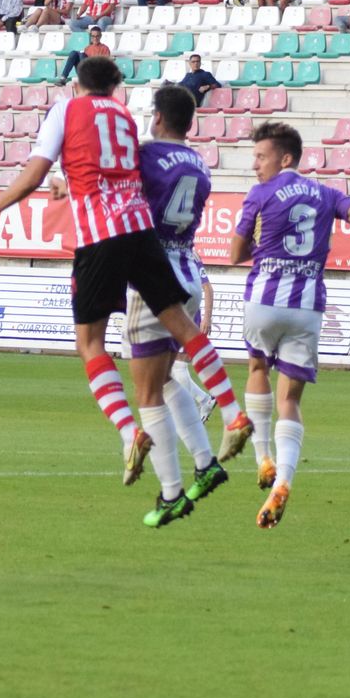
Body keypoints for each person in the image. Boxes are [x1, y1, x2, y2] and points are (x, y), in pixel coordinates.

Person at [0, 57, 253, 489]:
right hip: (144, 232)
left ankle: (129, 432)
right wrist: (69, 183)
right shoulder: (124, 116)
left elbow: (35, 172)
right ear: (115, 87)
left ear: (78, 83)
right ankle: (233, 412)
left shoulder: (67, 107)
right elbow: (117, 169)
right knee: (182, 326)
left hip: (101, 235)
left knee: (90, 344)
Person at [225, 121, 350, 528]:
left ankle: (262, 459)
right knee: (290, 400)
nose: (255, 165)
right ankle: (284, 481)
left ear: (285, 158)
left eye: (260, 156)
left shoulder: (261, 193)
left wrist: (258, 243)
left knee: (257, 370)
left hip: (264, 300)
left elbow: (236, 252)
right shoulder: (326, 194)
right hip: (307, 307)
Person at [117, 85, 233, 526]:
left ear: (158, 117)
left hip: (154, 273)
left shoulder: (148, 155)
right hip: (186, 267)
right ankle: (204, 463)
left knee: (146, 391)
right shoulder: (200, 165)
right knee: (165, 382)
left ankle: (171, 493)